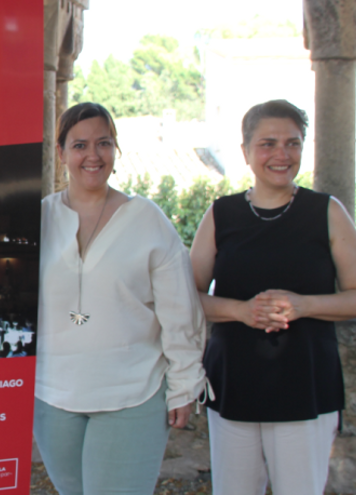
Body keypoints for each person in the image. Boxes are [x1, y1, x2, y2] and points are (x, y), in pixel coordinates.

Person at [34, 102, 207, 495]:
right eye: (79, 145)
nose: (93, 155)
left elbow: (180, 310)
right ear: (60, 152)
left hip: (133, 393)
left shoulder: (147, 220)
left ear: (116, 150)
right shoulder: (39, 218)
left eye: (104, 143)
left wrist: (184, 383)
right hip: (52, 395)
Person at [189, 100, 356, 495]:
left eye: (293, 143)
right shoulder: (221, 215)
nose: (282, 154)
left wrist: (304, 305)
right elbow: (185, 297)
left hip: (306, 384)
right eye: (268, 143)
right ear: (246, 151)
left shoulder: (328, 212)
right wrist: (240, 311)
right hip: (233, 381)